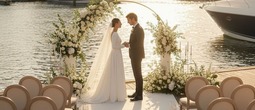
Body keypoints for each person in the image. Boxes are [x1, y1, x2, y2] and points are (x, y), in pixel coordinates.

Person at [80, 18, 127, 103]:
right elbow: (114, 46)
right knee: (115, 72)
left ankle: (115, 93)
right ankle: (115, 94)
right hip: (115, 55)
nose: (121, 24)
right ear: (116, 23)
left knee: (116, 73)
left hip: (116, 54)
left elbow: (116, 45)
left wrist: (122, 45)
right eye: (120, 22)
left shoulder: (114, 33)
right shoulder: (115, 34)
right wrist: (123, 45)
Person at [124, 13, 145, 101]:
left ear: (133, 19)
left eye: (128, 19)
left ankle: (139, 95)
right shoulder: (135, 28)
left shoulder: (139, 29)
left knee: (138, 75)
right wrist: (129, 44)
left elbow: (139, 44)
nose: (128, 22)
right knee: (136, 75)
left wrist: (129, 45)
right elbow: (134, 42)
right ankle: (137, 92)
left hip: (137, 55)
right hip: (134, 55)